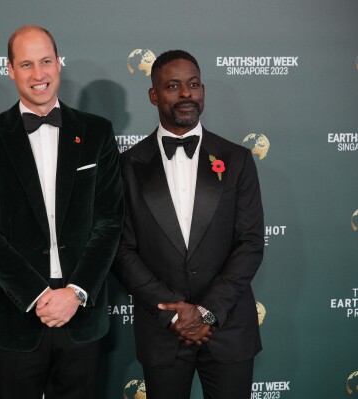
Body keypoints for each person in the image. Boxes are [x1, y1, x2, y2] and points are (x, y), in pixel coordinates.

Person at [0, 25, 123, 399]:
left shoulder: (97, 132)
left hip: (80, 314)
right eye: (27, 64)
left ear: (59, 63)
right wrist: (38, 295)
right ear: (10, 69)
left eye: (46, 61)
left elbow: (109, 221)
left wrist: (76, 292)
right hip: (15, 317)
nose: (39, 75)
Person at [112, 50, 264, 399]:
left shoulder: (237, 160)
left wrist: (206, 312)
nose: (186, 94)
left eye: (193, 85)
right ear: (154, 95)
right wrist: (176, 314)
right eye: (173, 86)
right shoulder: (127, 166)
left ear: (203, 91)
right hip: (162, 330)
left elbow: (251, 243)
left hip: (228, 328)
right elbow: (121, 250)